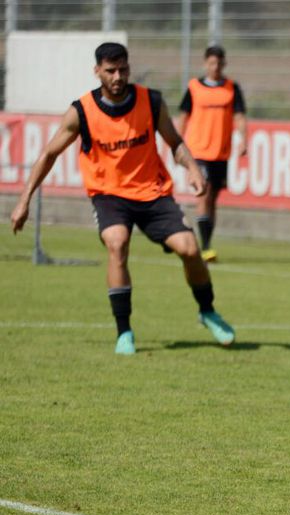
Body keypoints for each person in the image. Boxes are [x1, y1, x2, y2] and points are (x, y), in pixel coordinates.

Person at [10, 42, 235, 355]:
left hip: (153, 193)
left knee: (189, 248)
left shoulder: (150, 101)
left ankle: (207, 310)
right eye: (110, 71)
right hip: (109, 195)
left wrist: (194, 171)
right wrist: (24, 200)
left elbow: (175, 141)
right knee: (117, 243)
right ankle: (124, 331)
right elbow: (49, 154)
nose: (118, 76)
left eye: (123, 69)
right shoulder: (82, 111)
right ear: (97, 71)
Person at [176, 45, 248, 263]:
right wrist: (177, 144)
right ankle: (206, 247)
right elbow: (183, 116)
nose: (215, 67)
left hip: (221, 153)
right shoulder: (194, 87)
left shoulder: (231, 88)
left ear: (224, 64)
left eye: (219, 63)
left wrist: (243, 139)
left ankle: (205, 240)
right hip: (198, 151)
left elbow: (240, 117)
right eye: (211, 63)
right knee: (204, 195)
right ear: (205, 63)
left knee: (213, 200)